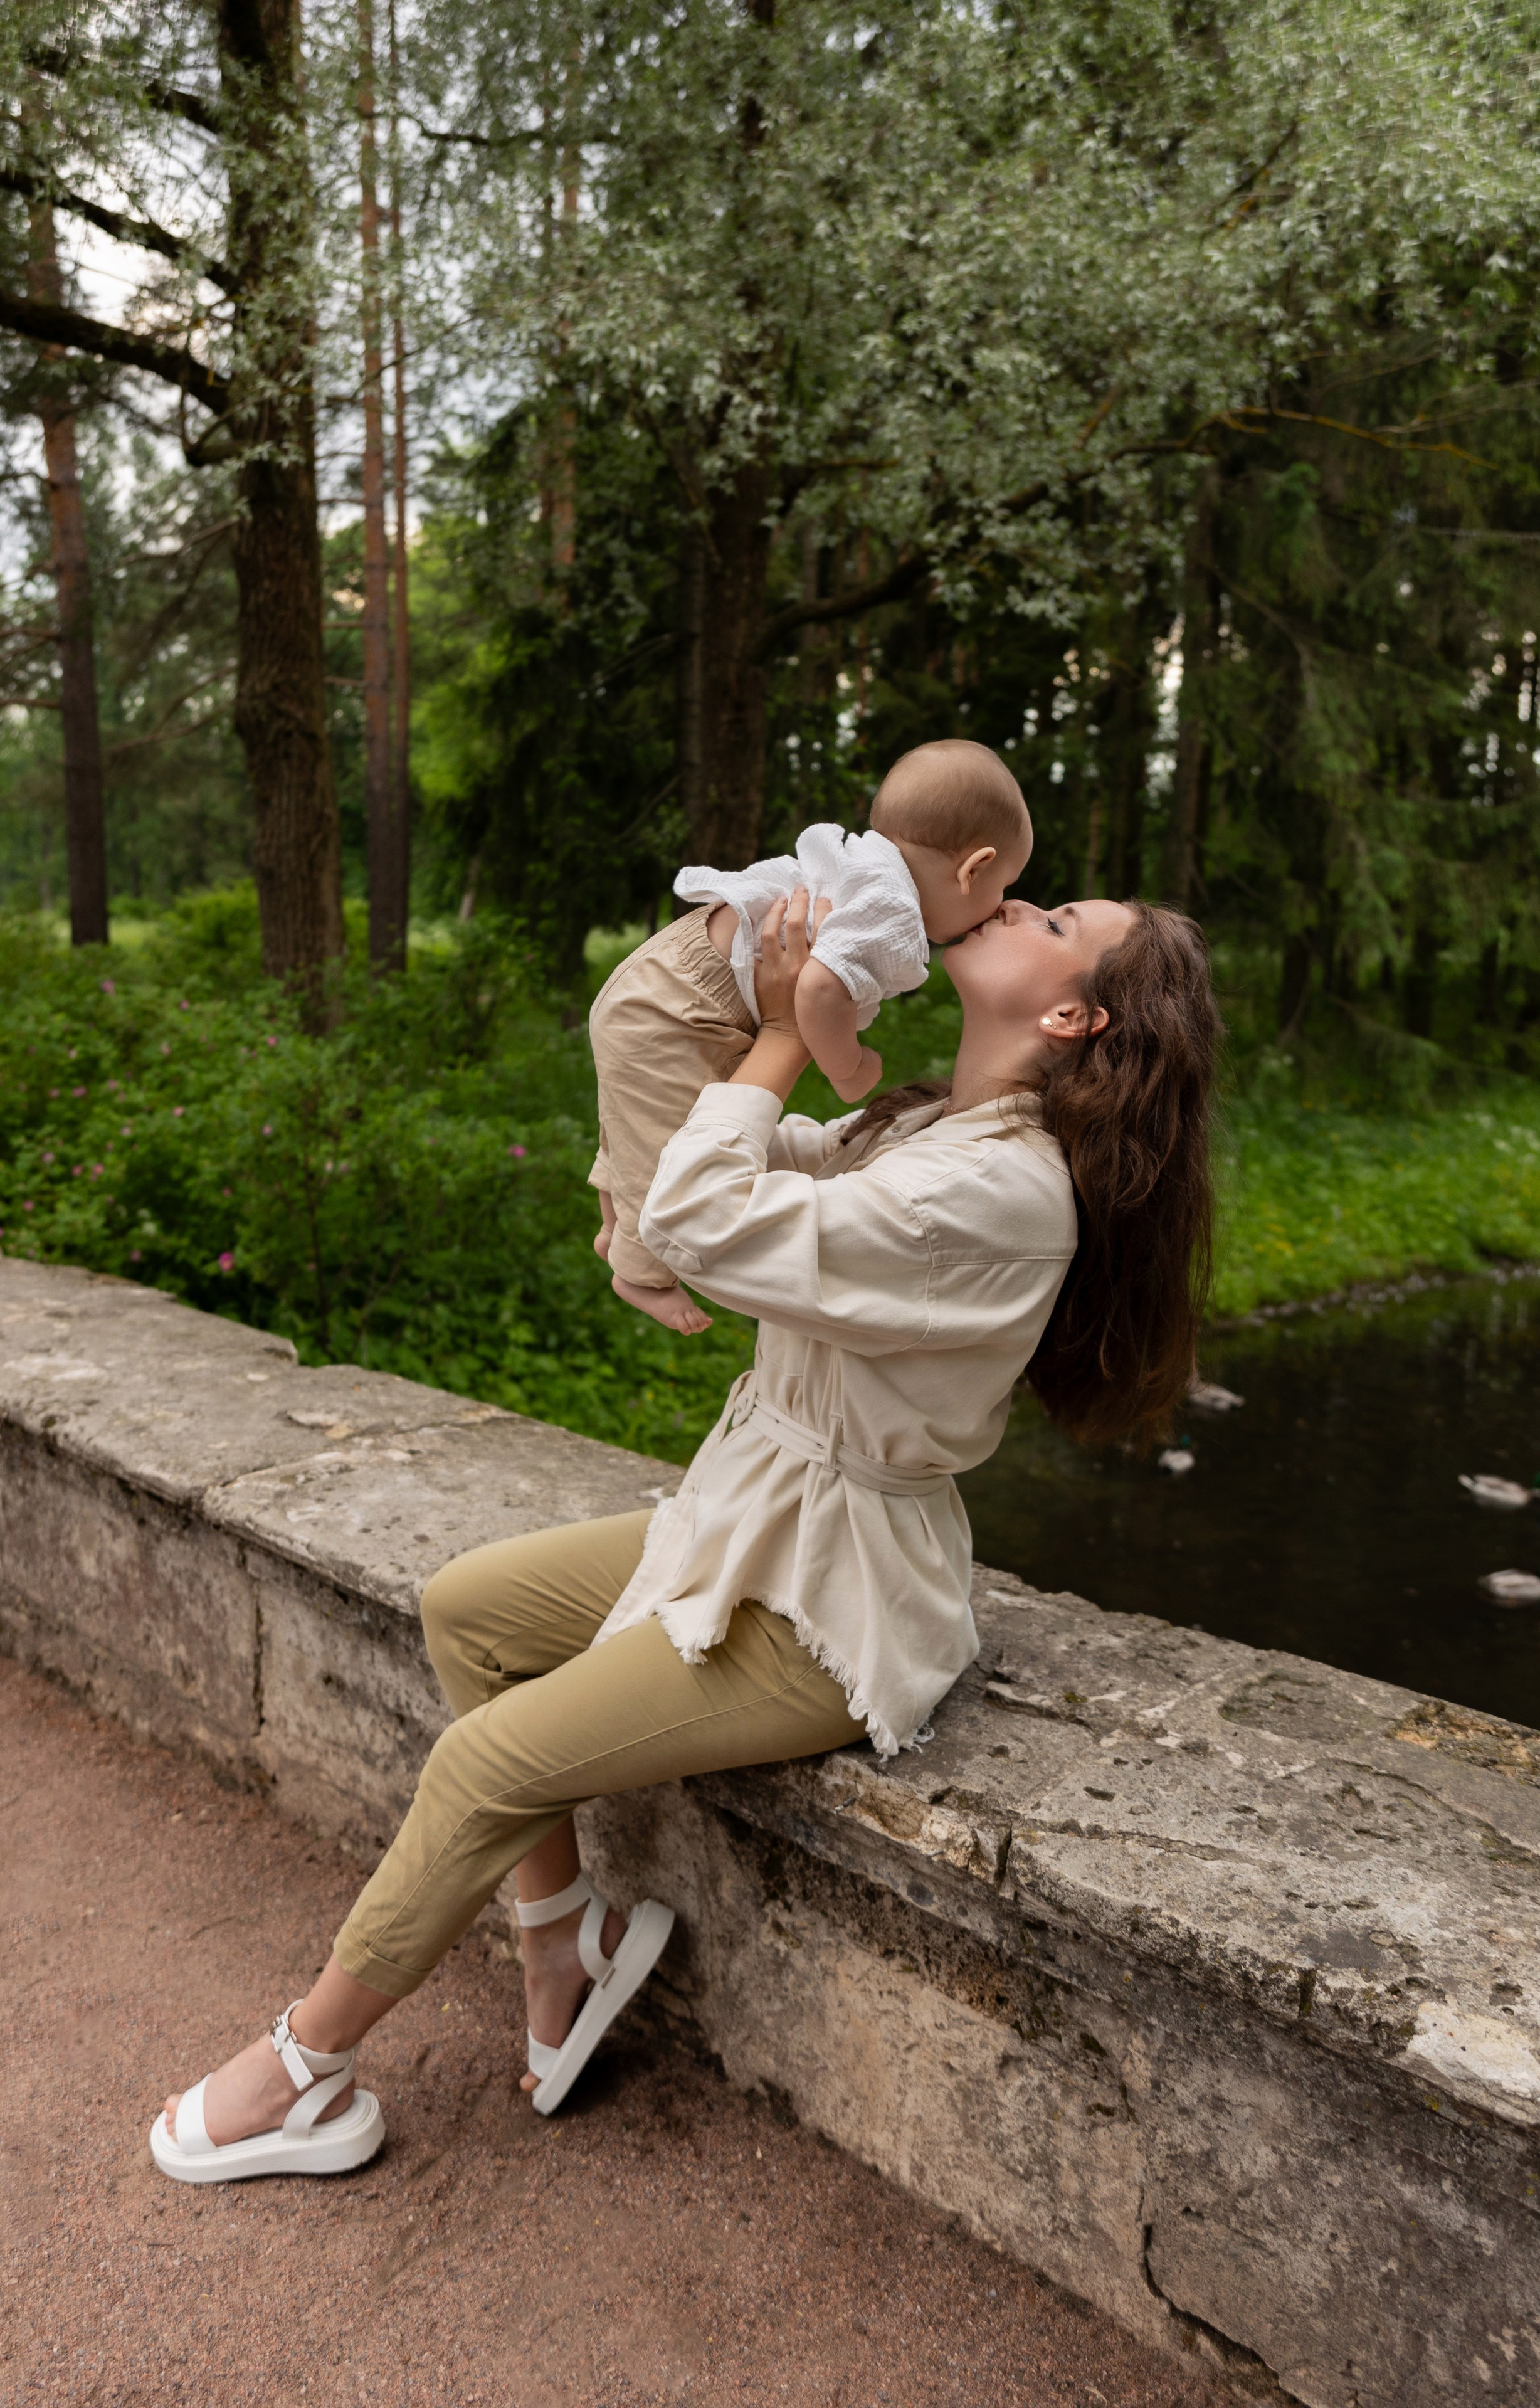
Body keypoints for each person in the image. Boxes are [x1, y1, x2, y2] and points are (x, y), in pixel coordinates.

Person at [150, 884, 1220, 2184]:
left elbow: (706, 1225)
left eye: (1054, 921)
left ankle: (302, 2072)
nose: (1012, 901)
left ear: (1066, 1012)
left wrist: (775, 1040)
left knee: (489, 1762)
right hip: (750, 1518)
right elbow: (714, 1170)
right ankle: (563, 1943)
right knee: (469, 1612)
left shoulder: (1003, 1194)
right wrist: (775, 1002)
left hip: (825, 1608)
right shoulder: (928, 1127)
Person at [591, 740, 1033, 1334]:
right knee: (660, 1134)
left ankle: (617, 1229)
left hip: (674, 982)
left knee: (643, 1118)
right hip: (680, 1008)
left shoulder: (867, 868)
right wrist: (847, 1067)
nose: (1001, 906)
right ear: (973, 868)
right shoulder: (894, 909)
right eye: (1003, 887)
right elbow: (819, 990)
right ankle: (640, 1274)